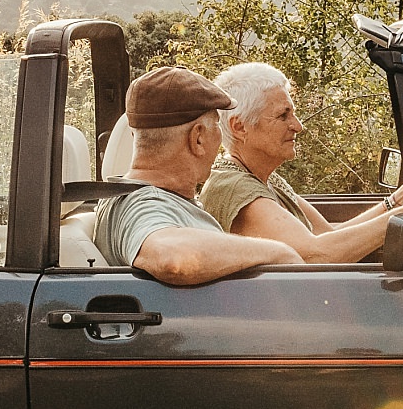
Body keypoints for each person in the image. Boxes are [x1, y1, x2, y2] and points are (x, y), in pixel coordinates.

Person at [93, 67, 301, 284]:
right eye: (217, 125)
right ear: (198, 138)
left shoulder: (150, 199)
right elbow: (173, 258)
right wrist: (278, 252)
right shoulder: (143, 205)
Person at [200, 62, 403, 263]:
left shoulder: (265, 178)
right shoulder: (234, 187)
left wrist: (398, 200)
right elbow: (318, 255)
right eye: (283, 116)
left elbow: (327, 236)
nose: (298, 125)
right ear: (239, 127)